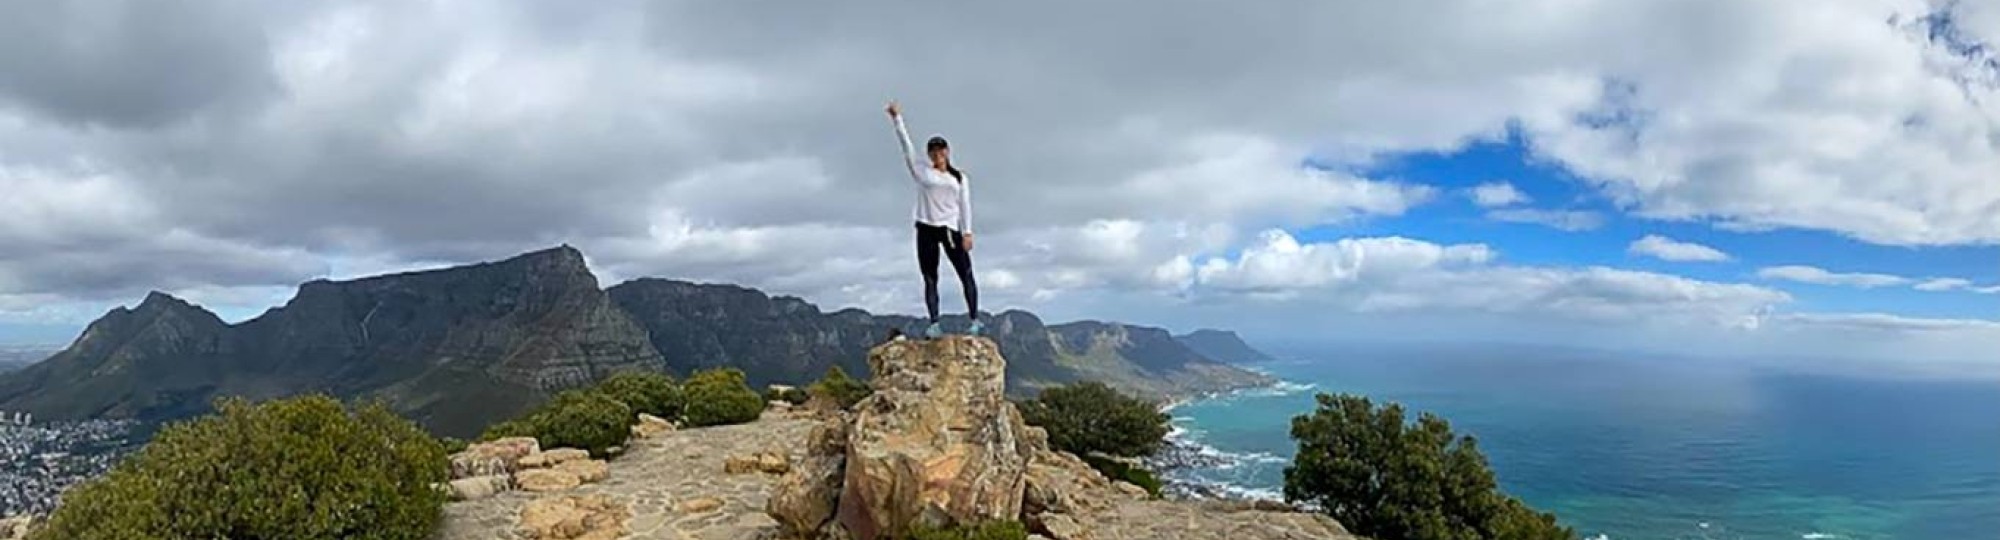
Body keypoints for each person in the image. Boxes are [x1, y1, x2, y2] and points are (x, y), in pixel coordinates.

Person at [886, 99, 980, 338]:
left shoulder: (959, 178)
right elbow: (906, 147)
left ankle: (974, 320)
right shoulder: (922, 172)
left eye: (941, 150)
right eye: (934, 151)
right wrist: (897, 119)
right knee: (930, 277)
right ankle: (935, 323)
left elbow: (964, 204)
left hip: (949, 228)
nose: (938, 154)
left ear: (947, 152)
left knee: (965, 273)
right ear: (929, 154)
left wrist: (967, 231)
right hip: (926, 227)